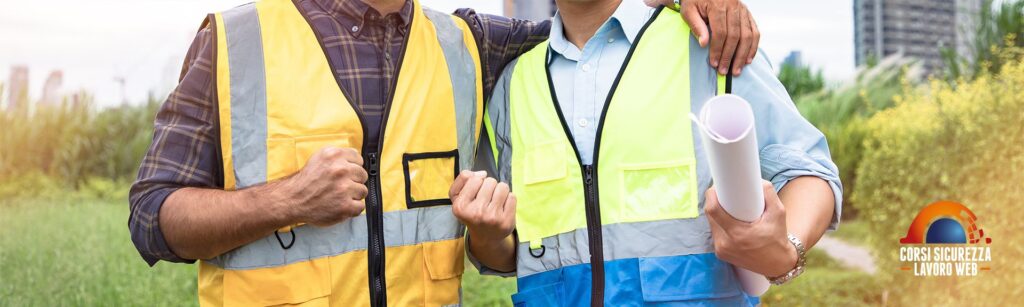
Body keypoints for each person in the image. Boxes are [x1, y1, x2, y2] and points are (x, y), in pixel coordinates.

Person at [128, 0, 760, 306]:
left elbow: (591, 29)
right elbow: (153, 219)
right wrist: (284, 200)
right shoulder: (237, 40)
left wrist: (690, 3)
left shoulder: (465, 43)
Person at [451, 0, 842, 306]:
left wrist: (785, 248)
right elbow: (506, 252)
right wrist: (486, 236)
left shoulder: (709, 43)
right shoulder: (513, 85)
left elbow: (810, 173)